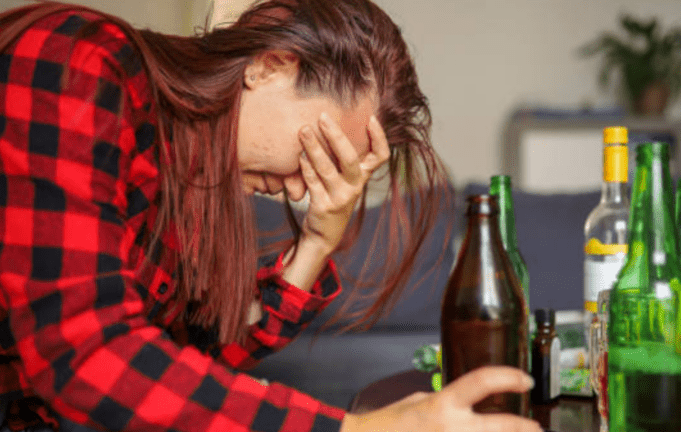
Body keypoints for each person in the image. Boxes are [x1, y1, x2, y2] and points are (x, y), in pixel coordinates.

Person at [0, 1, 542, 431]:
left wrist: (316, 243)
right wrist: (358, 429)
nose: (310, 186)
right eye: (321, 152)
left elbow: (187, 370)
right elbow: (88, 355)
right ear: (270, 66)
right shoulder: (73, 59)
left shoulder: (189, 179)